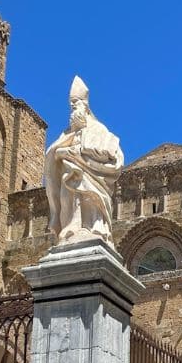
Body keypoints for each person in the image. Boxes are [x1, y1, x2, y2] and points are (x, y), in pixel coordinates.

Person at [45, 76, 123, 243]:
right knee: (68, 197)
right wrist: (62, 153)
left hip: (92, 177)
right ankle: (71, 227)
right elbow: (53, 152)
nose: (73, 106)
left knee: (89, 196)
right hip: (70, 175)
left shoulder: (98, 129)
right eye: (71, 104)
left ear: (86, 107)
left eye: (76, 102)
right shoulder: (66, 133)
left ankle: (92, 227)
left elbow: (111, 153)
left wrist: (75, 152)